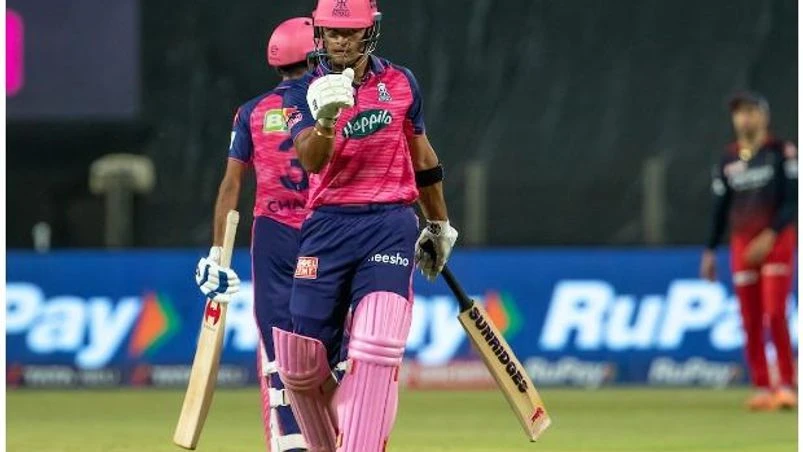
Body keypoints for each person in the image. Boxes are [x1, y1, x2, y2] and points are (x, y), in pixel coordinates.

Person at [271, 1, 458, 451]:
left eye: (350, 32)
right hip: (326, 226)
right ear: (319, 33)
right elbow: (311, 160)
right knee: (298, 367)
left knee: (375, 348)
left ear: (369, 33)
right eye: (332, 32)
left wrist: (438, 224)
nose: (340, 41)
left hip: (388, 224)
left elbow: (424, 159)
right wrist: (328, 120)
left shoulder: (401, 82)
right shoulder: (299, 92)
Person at [194, 17, 317, 451]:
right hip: (326, 230)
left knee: (275, 336)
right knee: (326, 334)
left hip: (271, 234)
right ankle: (333, 427)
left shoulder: (250, 111)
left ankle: (288, 437)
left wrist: (216, 253)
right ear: (315, 54)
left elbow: (231, 186)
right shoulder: (332, 102)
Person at [700, 91, 797, 411]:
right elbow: (719, 207)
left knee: (773, 312)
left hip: (777, 238)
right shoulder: (728, 159)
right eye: (739, 113)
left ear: (763, 116)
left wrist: (770, 235)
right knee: (750, 317)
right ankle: (762, 386)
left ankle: (786, 382)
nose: (744, 118)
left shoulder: (781, 151)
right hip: (742, 243)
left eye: (750, 111)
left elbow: (792, 200)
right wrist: (711, 250)